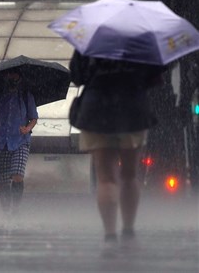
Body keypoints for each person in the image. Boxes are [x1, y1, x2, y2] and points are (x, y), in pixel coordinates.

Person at [69, 50, 167, 257]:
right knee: (129, 175)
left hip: (96, 109)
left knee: (106, 178)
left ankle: (110, 236)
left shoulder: (91, 39)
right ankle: (129, 231)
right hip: (132, 107)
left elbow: (77, 76)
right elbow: (156, 75)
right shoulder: (140, 39)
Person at [0, 69, 38, 216]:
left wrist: (27, 128)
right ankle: (6, 210)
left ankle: (15, 208)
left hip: (20, 141)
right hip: (1, 141)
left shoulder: (26, 96)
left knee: (17, 174)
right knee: (3, 180)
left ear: (20, 77)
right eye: (10, 75)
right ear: (5, 77)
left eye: (15, 75)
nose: (12, 78)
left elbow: (34, 118)